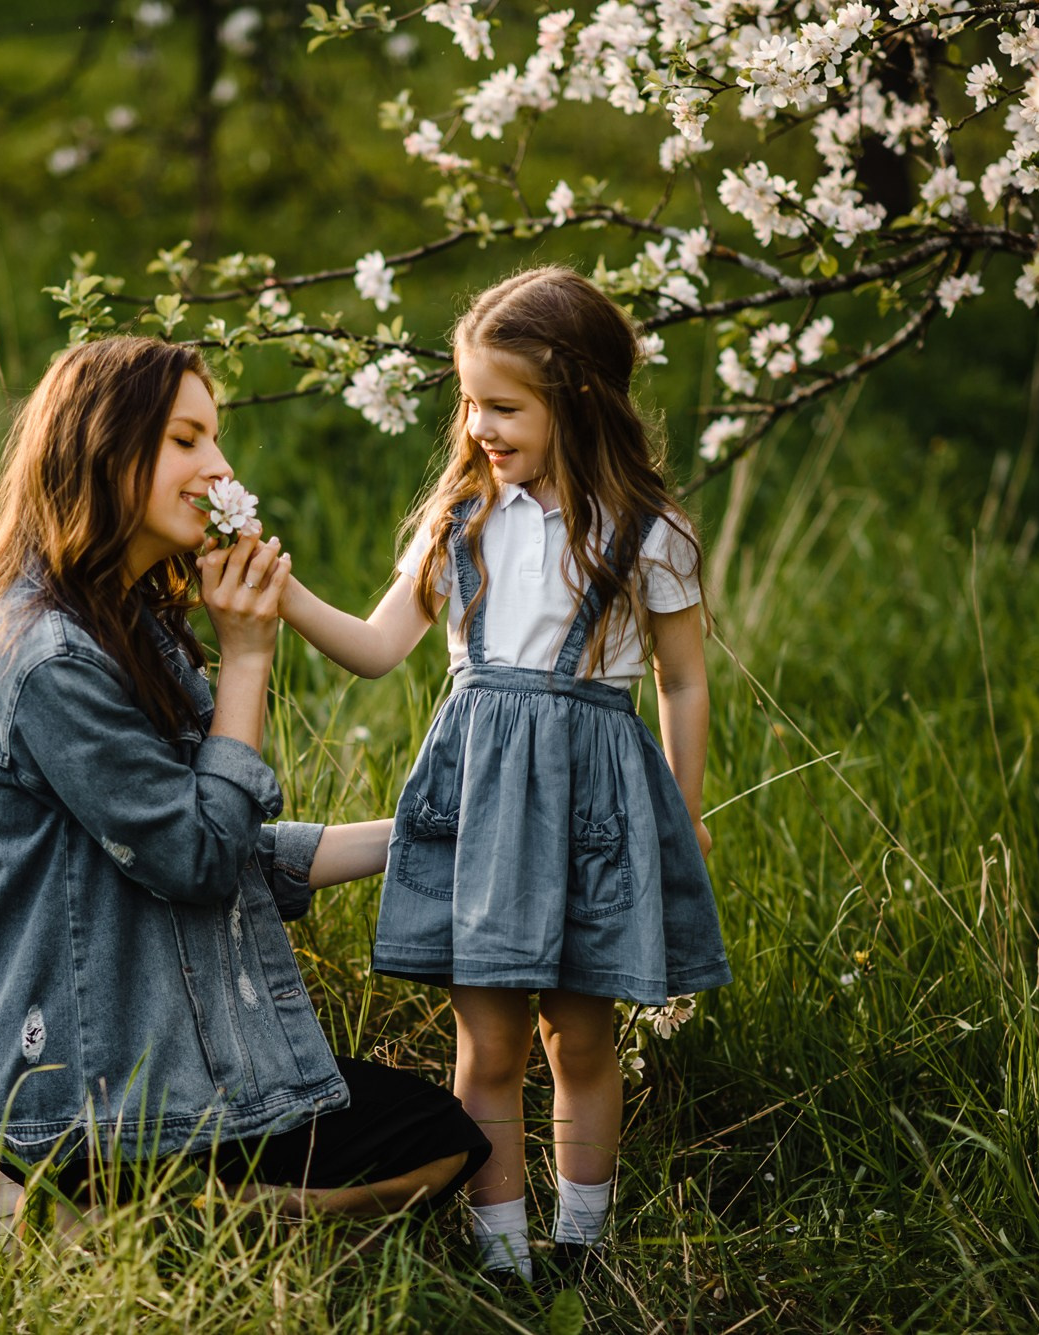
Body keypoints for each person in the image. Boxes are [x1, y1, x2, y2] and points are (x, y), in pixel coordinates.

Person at [0, 336, 490, 1250]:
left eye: (215, 438)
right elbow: (196, 856)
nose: (220, 466)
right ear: (108, 452)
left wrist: (423, 835)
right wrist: (249, 657)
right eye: (187, 439)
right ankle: (108, 1206)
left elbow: (222, 841)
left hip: (157, 1053)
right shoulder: (51, 658)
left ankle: (130, 1211)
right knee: (430, 1149)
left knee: (436, 1138)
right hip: (86, 1085)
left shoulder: (122, 619)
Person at [279, 267, 733, 1280]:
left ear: (578, 398)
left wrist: (684, 809)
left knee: (579, 1040)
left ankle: (580, 1249)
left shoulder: (648, 532)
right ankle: (501, 1260)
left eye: (504, 405)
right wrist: (286, 594)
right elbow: (376, 648)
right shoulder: (461, 520)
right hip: (480, 804)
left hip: (593, 806)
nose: (479, 425)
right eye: (470, 402)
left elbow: (683, 679)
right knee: (487, 1048)